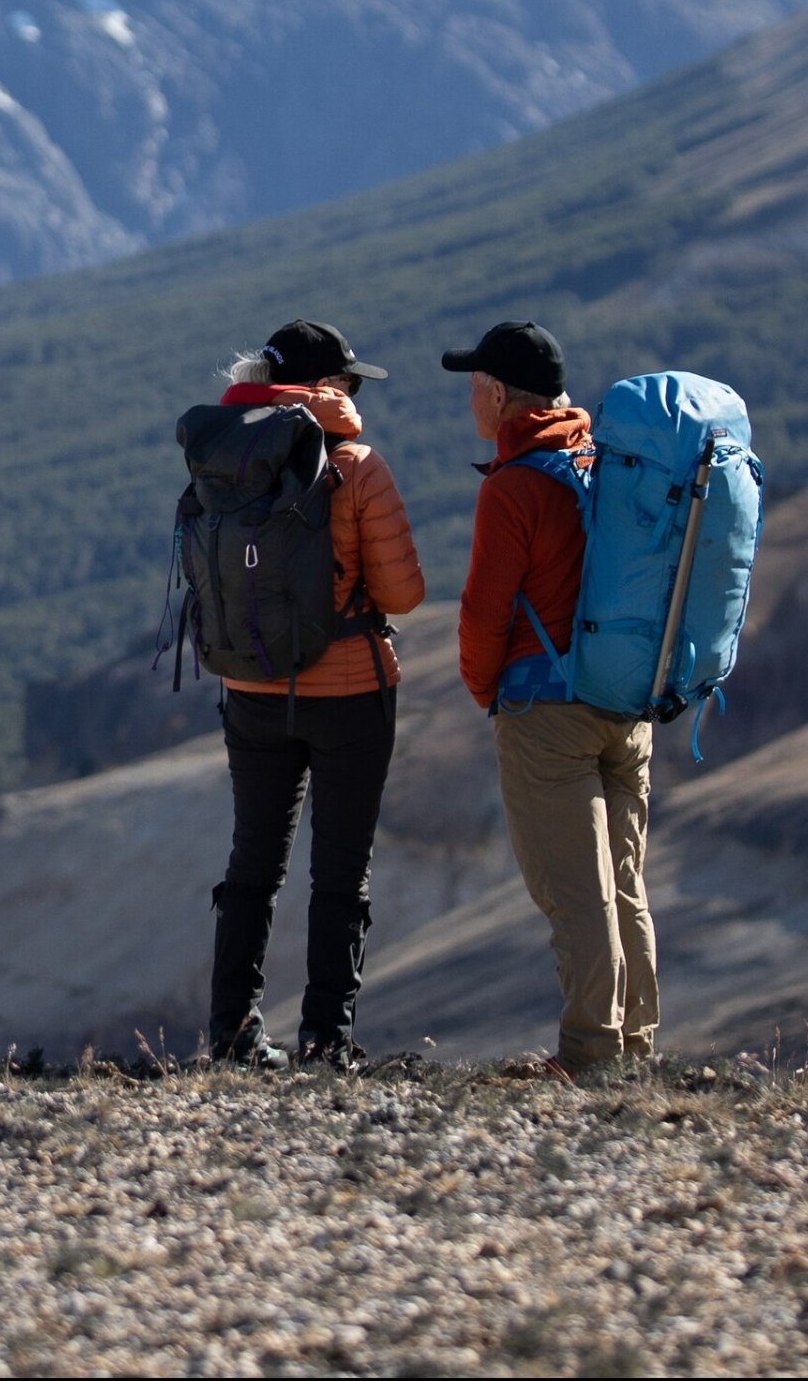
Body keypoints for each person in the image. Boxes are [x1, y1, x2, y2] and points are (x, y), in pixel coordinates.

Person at [205, 319, 424, 1071]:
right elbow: (404, 591)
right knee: (339, 870)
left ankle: (232, 1032)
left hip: (250, 688)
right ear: (328, 389)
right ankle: (326, 1040)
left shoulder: (225, 458)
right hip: (351, 696)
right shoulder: (357, 467)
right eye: (350, 383)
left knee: (252, 862)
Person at [443, 318, 658, 1077]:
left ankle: (591, 1056)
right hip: (627, 707)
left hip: (547, 714)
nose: (472, 401)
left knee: (575, 891)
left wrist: (487, 691)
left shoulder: (516, 487)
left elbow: (483, 613)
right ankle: (633, 1047)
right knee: (624, 885)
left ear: (498, 395)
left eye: (475, 387)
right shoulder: (606, 463)